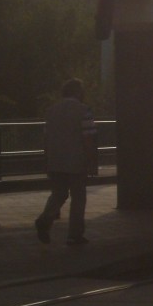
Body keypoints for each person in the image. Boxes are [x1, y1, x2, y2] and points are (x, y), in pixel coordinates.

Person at [34, 78, 98, 245]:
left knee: (58, 193)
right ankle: (74, 234)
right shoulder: (84, 110)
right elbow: (88, 138)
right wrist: (91, 160)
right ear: (78, 92)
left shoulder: (51, 110)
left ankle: (45, 219)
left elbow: (46, 138)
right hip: (76, 160)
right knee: (78, 197)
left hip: (55, 160)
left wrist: (47, 159)